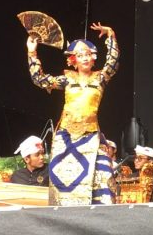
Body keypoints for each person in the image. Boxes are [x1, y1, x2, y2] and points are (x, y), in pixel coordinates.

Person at [26, 22, 119, 205]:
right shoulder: (67, 79)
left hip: (91, 135)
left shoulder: (99, 78)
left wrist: (111, 36)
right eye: (80, 55)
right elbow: (40, 80)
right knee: (62, 177)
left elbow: (113, 64)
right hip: (66, 136)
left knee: (103, 175)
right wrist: (32, 52)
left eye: (87, 55)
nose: (84, 58)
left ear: (93, 59)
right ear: (73, 60)